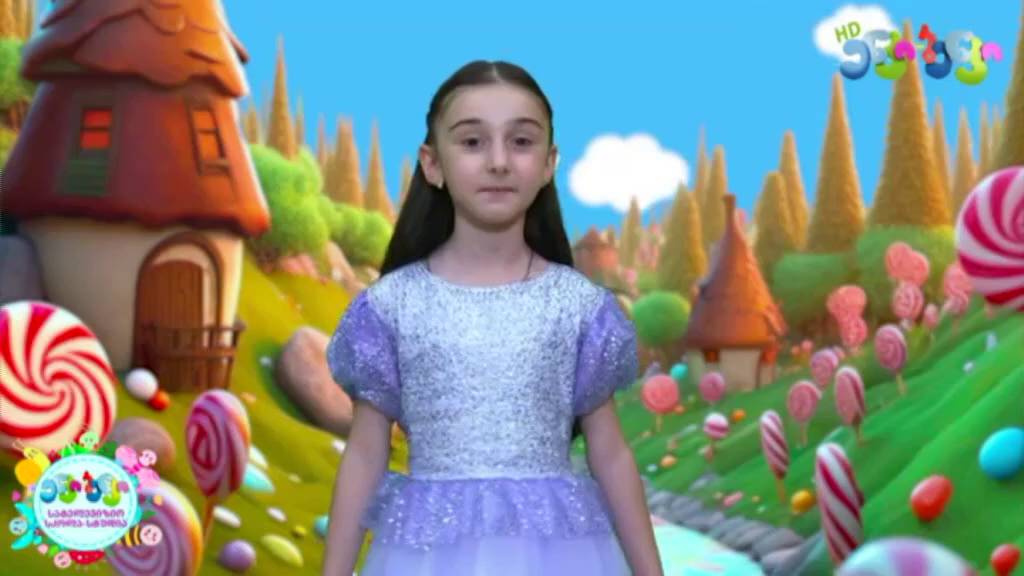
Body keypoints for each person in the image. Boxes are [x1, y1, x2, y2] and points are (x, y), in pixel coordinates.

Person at [321, 60, 663, 576]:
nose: (499, 161)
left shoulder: (578, 306)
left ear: (549, 163)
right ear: (432, 163)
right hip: (425, 558)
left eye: (521, 141)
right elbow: (366, 455)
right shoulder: (392, 306)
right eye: (472, 142)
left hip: (559, 556)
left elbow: (610, 453)